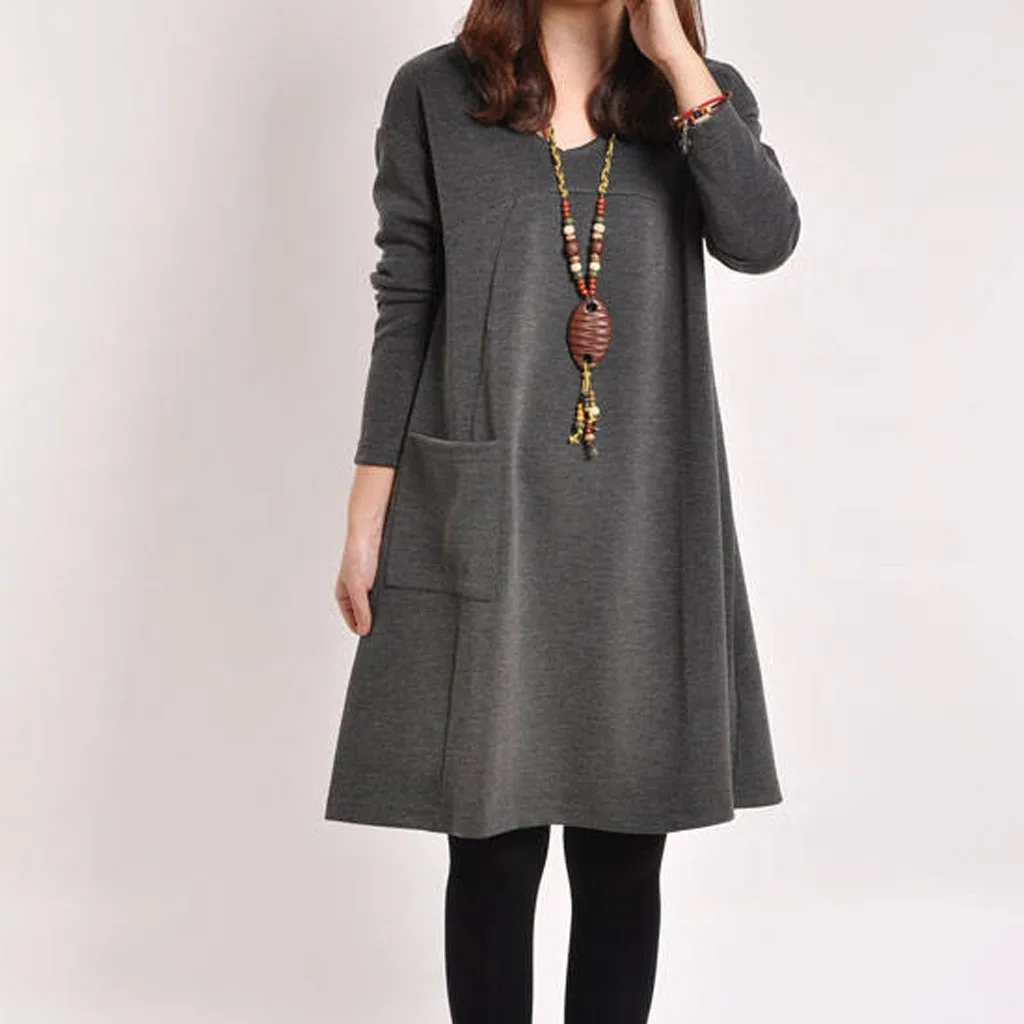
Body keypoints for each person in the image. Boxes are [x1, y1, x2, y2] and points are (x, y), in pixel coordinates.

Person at [326, 0, 801, 1020]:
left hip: (644, 521)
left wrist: (674, 56)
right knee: (491, 853)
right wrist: (368, 512)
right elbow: (407, 296)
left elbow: (762, 240)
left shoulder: (695, 99)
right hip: (489, 511)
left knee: (624, 856)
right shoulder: (435, 93)